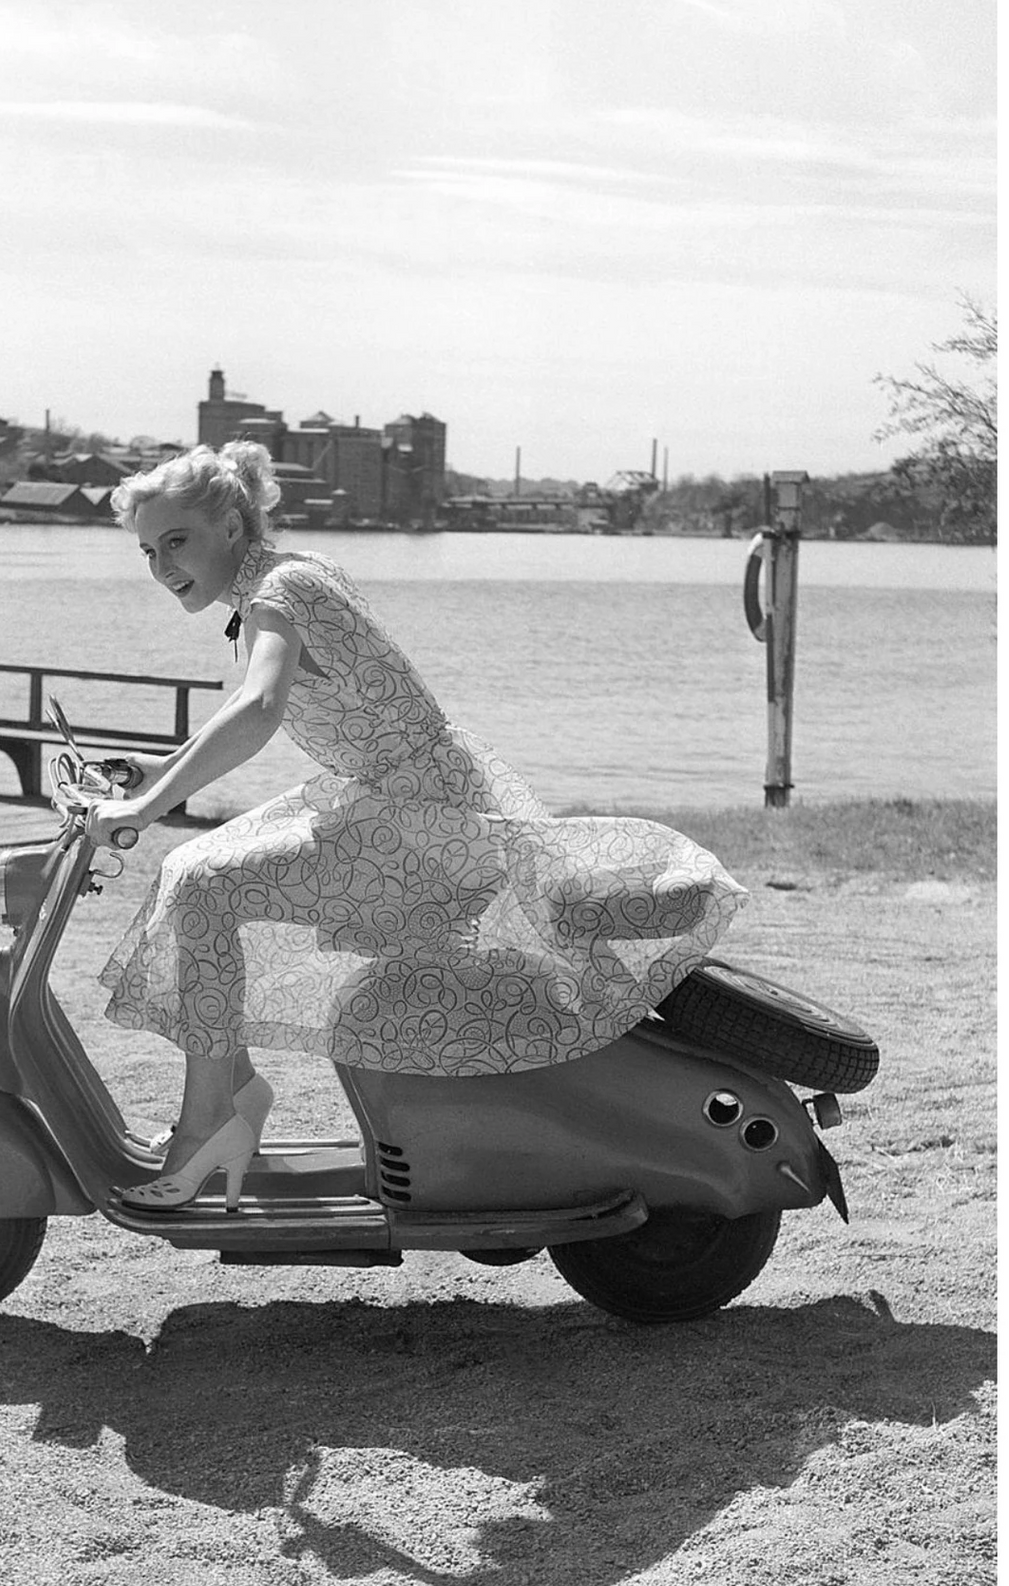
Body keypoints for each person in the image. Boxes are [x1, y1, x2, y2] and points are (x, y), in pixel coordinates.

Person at [87, 441, 745, 1210]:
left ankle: (211, 1124)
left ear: (231, 526)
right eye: (148, 551)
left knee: (204, 885)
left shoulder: (278, 593)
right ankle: (236, 1095)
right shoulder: (287, 576)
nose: (162, 565)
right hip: (407, 804)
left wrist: (146, 809)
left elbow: (259, 708)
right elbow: (248, 709)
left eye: (176, 542)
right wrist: (157, 773)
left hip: (418, 824)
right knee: (191, 871)